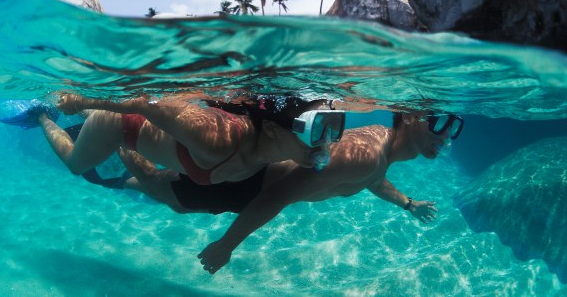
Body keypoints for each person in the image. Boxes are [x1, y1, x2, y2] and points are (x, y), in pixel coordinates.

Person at [113, 110, 463, 273]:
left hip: (249, 188)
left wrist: (408, 203)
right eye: (440, 122)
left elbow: (373, 180)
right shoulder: (368, 154)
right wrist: (226, 246)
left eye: (453, 126)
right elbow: (277, 195)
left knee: (175, 200)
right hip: (247, 187)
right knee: (161, 189)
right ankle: (114, 137)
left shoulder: (378, 152)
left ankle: (121, 173)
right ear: (411, 115)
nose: (445, 134)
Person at [15, 93, 345, 184]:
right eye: (318, 128)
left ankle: (87, 118)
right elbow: (144, 105)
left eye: (334, 126)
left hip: (147, 133)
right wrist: (83, 100)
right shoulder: (220, 139)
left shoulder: (279, 151)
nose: (326, 144)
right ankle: (42, 115)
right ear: (272, 129)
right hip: (122, 123)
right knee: (76, 165)